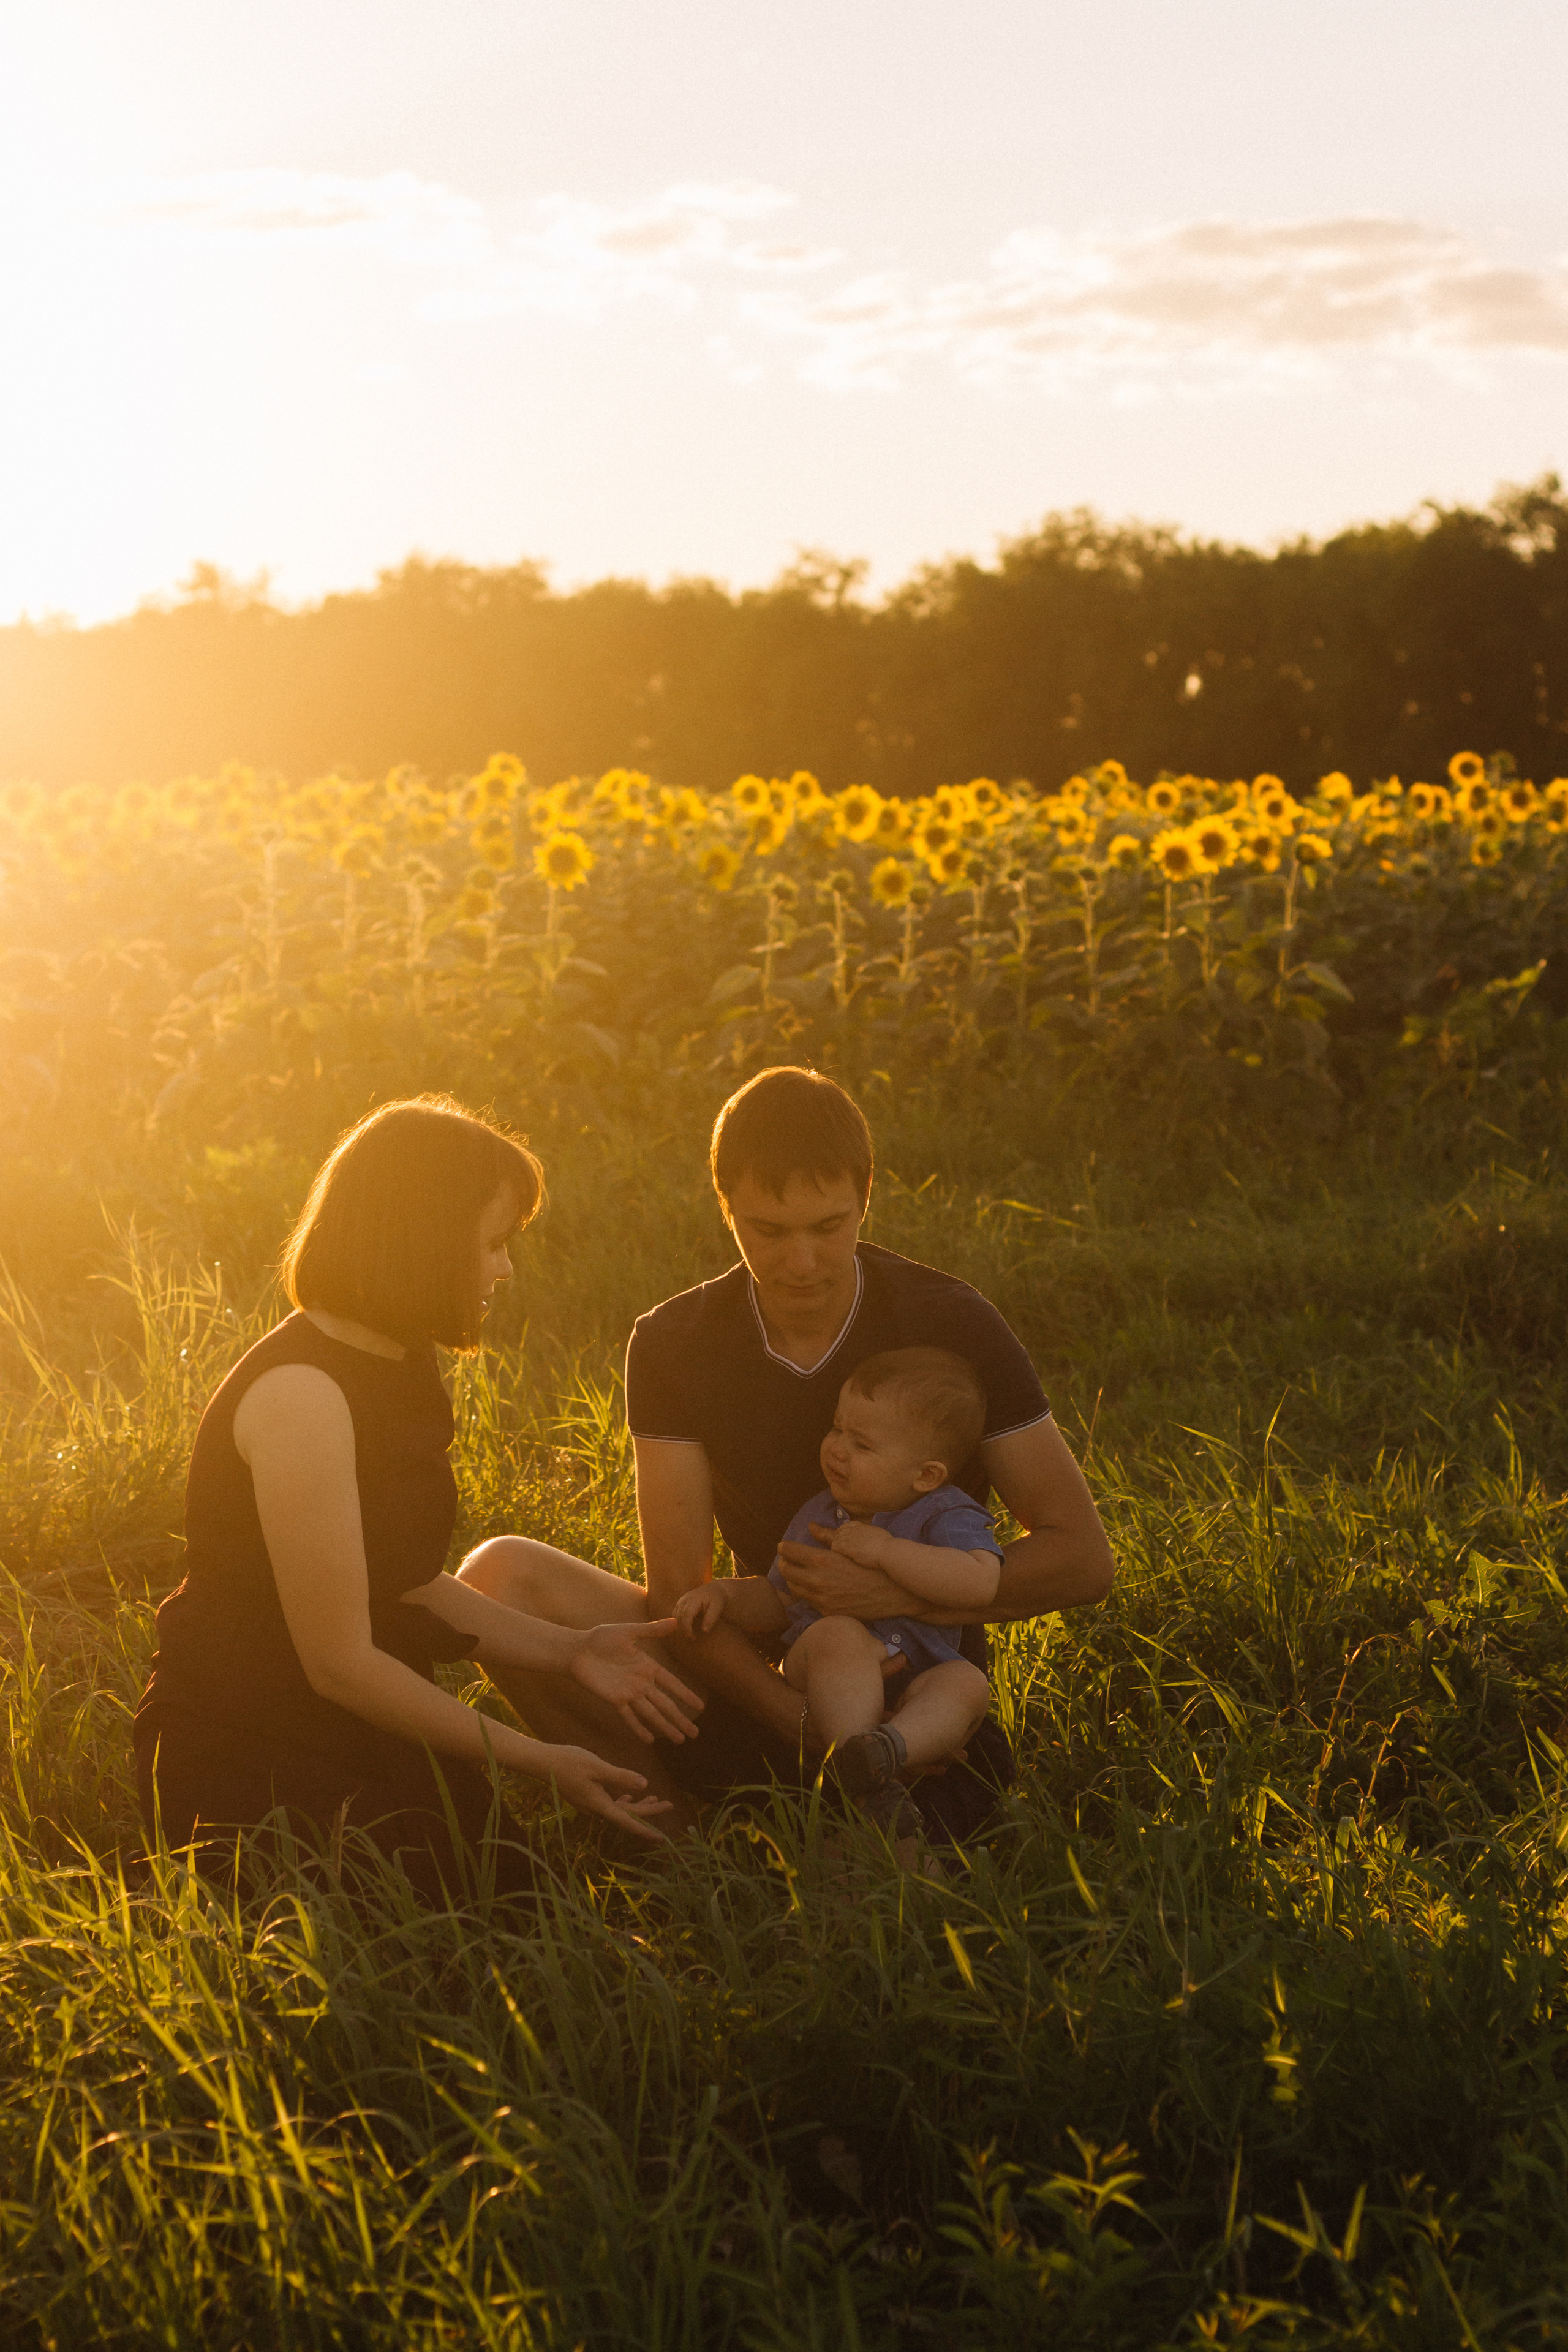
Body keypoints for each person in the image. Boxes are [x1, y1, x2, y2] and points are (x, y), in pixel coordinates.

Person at [460, 1066, 1114, 1845]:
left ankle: (866, 1803)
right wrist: (791, 1716)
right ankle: (668, 1845)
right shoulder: (673, 1343)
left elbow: (1082, 1559)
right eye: (768, 1231)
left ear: (865, 1198)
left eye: (828, 1227)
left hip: (910, 1698)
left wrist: (897, 1595)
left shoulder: (952, 1322)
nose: (801, 1261)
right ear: (725, 1206)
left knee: (885, 1896)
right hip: (753, 1668)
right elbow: (678, 1590)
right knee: (498, 1577)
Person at [134, 1095, 703, 1898]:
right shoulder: (301, 1396)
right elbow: (339, 1664)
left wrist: (571, 1650)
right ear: (425, 1240)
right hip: (249, 1743)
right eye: (493, 1244)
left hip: (355, 1717)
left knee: (521, 1906)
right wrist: (540, 1759)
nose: (505, 1269)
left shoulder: (396, 1357)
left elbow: (404, 1583)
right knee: (449, 1935)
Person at [675, 1348, 1002, 1844]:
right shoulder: (821, 1514)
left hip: (917, 1679)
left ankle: (886, 1752)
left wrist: (887, 1552)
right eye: (837, 1429)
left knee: (967, 1682)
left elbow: (979, 1582)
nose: (837, 1449)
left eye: (862, 1444)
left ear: (926, 1476)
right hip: (823, 1669)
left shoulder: (947, 1514)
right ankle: (861, 1773)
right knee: (840, 1634)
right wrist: (723, 1595)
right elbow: (779, 1598)